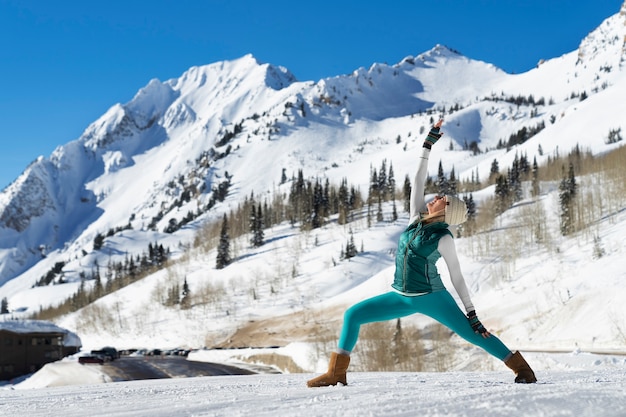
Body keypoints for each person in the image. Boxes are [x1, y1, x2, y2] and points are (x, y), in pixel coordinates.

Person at [307, 119, 537, 387]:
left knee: (475, 334)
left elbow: (458, 277)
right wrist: (427, 145)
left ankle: (522, 370)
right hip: (400, 296)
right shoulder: (414, 219)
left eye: (443, 199)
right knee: (353, 315)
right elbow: (417, 180)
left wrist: (472, 314)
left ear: (446, 211)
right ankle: (336, 373)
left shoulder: (443, 237)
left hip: (432, 298)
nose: (437, 196)